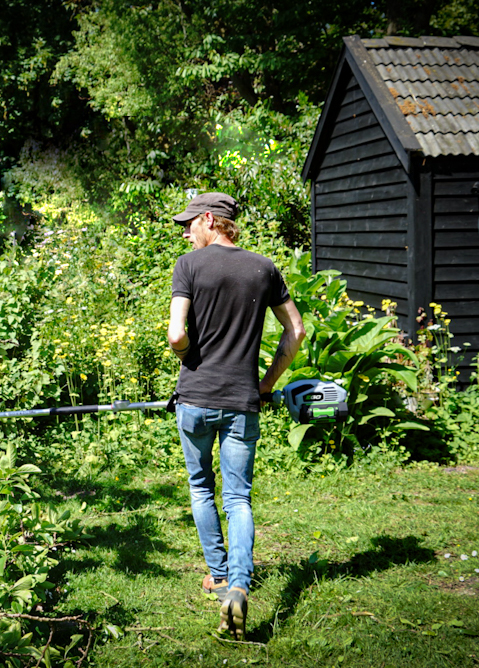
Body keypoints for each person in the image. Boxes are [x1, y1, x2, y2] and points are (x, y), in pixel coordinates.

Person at [166, 192, 305, 640]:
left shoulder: (189, 265)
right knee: (238, 497)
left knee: (201, 486)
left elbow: (175, 335)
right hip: (243, 402)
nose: (186, 233)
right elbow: (296, 330)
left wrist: (188, 356)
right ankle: (241, 584)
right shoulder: (264, 268)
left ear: (211, 219)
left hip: (195, 399)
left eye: (190, 224)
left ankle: (220, 577)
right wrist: (265, 384)